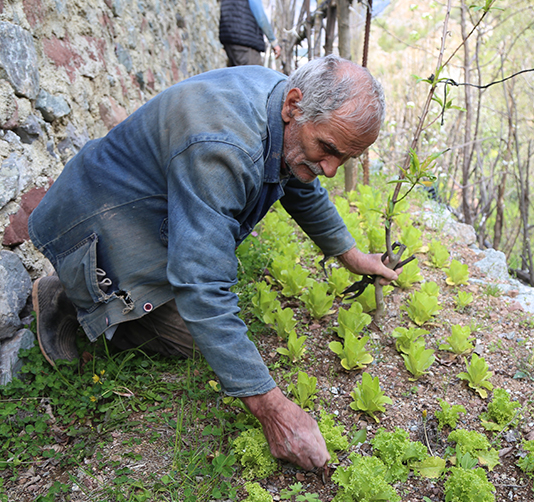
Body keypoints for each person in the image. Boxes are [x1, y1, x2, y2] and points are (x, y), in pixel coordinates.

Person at [28, 55, 399, 471]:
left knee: (217, 335)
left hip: (142, 211)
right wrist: (274, 410)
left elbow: (302, 181)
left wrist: (350, 255)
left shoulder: (286, 107)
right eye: (328, 149)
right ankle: (74, 296)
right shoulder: (224, 146)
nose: (331, 169)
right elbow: (202, 283)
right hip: (94, 222)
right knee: (193, 340)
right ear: (294, 105)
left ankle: (106, 290)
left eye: (344, 159)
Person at [219, 0, 281, 66]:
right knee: (255, 74)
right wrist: (273, 41)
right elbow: (261, 17)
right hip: (245, 42)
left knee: (235, 73)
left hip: (229, 39)